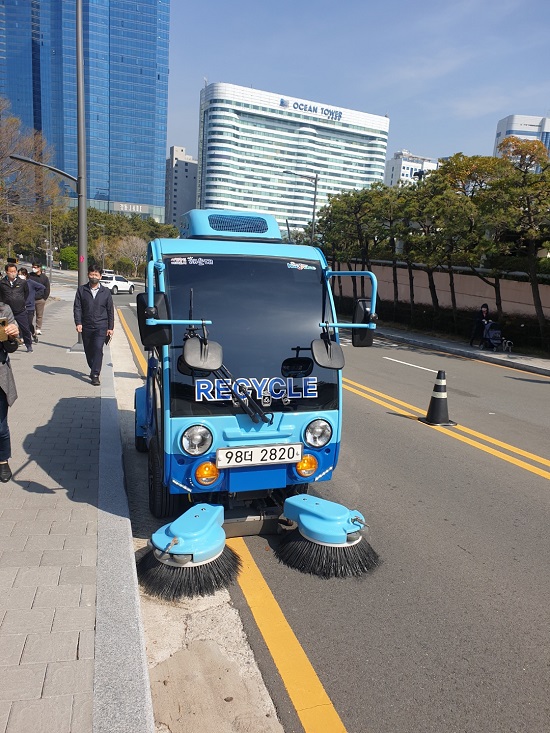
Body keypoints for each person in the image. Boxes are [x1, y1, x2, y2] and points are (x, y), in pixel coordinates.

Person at [73, 264, 114, 386]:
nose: (94, 277)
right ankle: (93, 367)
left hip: (101, 325)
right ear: (88, 275)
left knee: (97, 348)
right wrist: (78, 322)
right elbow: (77, 308)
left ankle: (95, 374)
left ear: (100, 276)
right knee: (89, 350)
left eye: (96, 274)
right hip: (86, 325)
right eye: (92, 274)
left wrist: (110, 327)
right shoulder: (81, 290)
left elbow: (110, 310)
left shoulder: (105, 292)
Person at [0, 298, 20, 482]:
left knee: (0, 425)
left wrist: (13, 335)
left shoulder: (4, 309)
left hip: (0, 376)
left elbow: (12, 347)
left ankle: (3, 460)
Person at [0, 263, 33, 352]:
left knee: (25, 329)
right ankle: (6, 346)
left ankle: (28, 344)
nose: (13, 273)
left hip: (20, 310)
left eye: (14, 271)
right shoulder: (2, 283)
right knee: (6, 330)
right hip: (6, 311)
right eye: (11, 272)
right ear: (7, 272)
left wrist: (21, 302)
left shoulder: (22, 282)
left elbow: (26, 293)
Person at [18, 267, 45, 344]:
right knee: (21, 322)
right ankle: (22, 337)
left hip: (30, 306)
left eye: (22, 274)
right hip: (20, 306)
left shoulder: (30, 282)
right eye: (19, 274)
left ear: (25, 274)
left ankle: (33, 334)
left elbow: (42, 287)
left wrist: (34, 295)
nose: (20, 276)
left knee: (29, 323)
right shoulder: (18, 283)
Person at [28, 263, 50, 335]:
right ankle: (29, 328)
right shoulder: (30, 276)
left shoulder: (44, 278)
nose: (34, 268)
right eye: (33, 267)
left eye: (35, 267)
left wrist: (44, 298)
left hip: (40, 299)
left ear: (39, 268)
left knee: (39, 315)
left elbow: (47, 288)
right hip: (30, 299)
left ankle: (38, 328)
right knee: (30, 314)